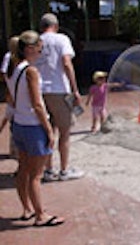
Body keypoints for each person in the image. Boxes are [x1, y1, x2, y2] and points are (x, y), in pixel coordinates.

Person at [5, 30, 64, 227]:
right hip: (32, 126)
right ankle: (41, 215)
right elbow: (37, 104)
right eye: (39, 50)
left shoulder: (14, 69)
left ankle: (27, 209)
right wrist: (48, 129)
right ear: (29, 49)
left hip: (19, 124)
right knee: (36, 175)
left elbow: (11, 98)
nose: (41, 53)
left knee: (23, 170)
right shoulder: (31, 71)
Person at [35, 13, 84, 181]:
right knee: (65, 132)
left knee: (47, 131)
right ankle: (63, 169)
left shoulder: (36, 41)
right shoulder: (61, 39)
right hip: (59, 89)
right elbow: (66, 62)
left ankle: (48, 169)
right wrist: (75, 89)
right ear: (56, 26)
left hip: (40, 90)